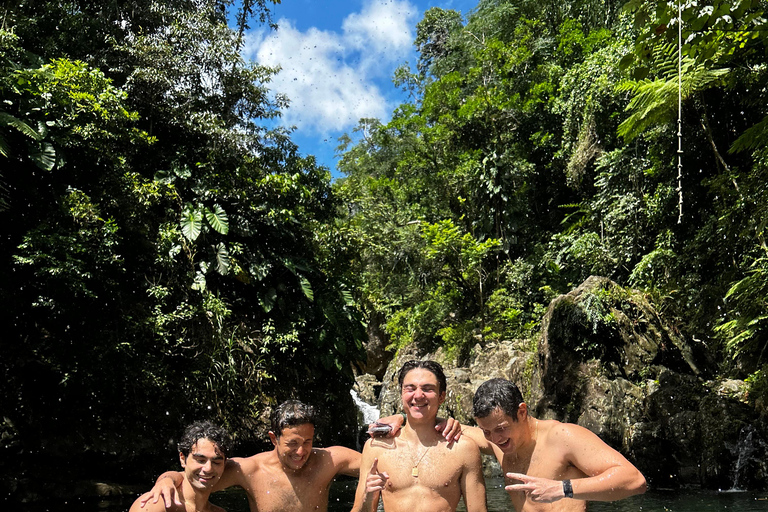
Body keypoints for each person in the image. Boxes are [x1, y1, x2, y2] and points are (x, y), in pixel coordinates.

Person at [139, 399, 462, 512]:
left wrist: (401, 420)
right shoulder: (247, 469)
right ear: (272, 438)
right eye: (292, 443)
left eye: (307, 442)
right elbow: (200, 476)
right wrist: (164, 479)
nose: (301, 451)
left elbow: (383, 455)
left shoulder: (330, 459)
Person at [465, 378, 647, 512]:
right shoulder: (500, 444)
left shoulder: (562, 437)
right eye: (486, 431)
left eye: (501, 429)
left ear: (521, 412)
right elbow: (460, 431)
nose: (495, 439)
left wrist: (562, 489)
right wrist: (444, 423)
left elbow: (634, 480)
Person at [351, 360, 487, 512]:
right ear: (401, 394)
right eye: (410, 389)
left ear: (441, 397)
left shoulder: (463, 448)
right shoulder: (376, 447)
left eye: (428, 389)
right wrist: (367, 497)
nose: (418, 395)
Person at [130, 420, 232, 512]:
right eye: (200, 460)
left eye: (216, 462)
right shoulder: (153, 505)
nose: (208, 468)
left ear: (224, 464)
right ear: (183, 459)